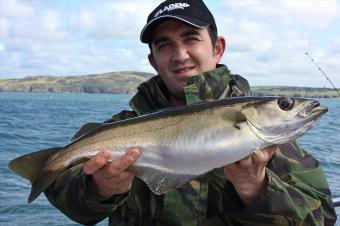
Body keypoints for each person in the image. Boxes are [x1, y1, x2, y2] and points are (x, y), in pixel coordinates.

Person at [45, 0, 337, 225]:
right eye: (165, 45)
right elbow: (71, 203)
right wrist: (98, 187)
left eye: (191, 38)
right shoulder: (122, 126)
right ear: (153, 60)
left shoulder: (273, 144)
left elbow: (322, 218)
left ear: (218, 48)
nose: (180, 54)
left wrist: (255, 188)